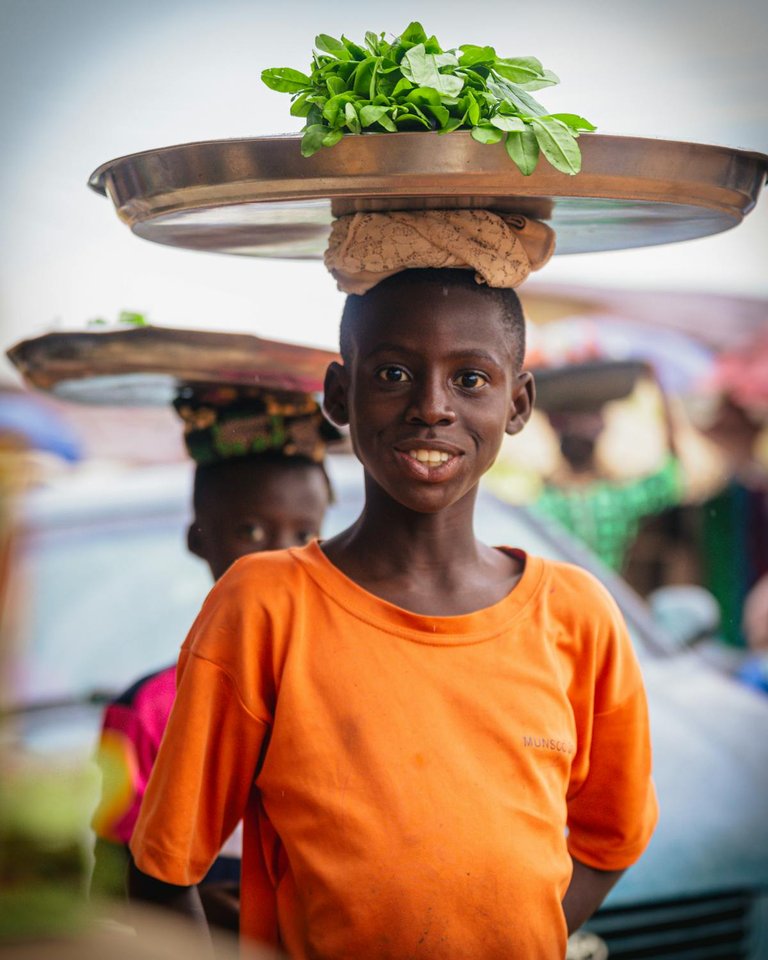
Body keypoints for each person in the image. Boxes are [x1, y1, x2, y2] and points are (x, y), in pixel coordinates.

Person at [127, 212, 657, 959]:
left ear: (518, 404)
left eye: (470, 378)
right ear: (340, 397)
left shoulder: (575, 615)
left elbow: (612, 835)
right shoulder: (266, 605)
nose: (432, 406)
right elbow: (162, 870)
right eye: (393, 374)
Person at [90, 386, 335, 927]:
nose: (281, 557)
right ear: (199, 539)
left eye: (305, 533)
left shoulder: (354, 688)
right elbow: (111, 891)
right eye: (251, 531)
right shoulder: (149, 713)